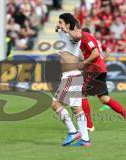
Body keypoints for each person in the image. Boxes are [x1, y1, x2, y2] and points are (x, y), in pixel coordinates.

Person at [74, 27, 126, 132]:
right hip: (100, 68)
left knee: (81, 94)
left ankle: (89, 126)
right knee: (104, 98)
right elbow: (106, 49)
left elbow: (94, 54)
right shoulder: (94, 40)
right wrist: (103, 60)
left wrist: (84, 63)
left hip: (94, 69)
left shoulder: (85, 38)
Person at [51, 13, 90, 147]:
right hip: (72, 75)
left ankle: (73, 131)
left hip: (71, 76)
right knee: (76, 108)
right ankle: (85, 139)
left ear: (68, 25)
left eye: (60, 22)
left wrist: (66, 29)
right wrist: (59, 28)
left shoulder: (73, 35)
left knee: (55, 103)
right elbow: (59, 29)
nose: (58, 24)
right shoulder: (64, 33)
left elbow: (79, 35)